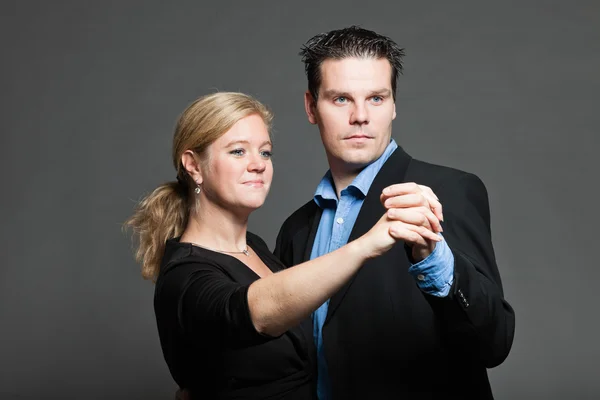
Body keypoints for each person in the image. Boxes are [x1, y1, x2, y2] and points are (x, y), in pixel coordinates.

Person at [124, 92, 442, 399]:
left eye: (265, 152)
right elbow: (256, 312)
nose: (258, 164)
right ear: (193, 165)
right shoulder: (183, 274)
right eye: (238, 151)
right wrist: (368, 243)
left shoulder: (256, 249)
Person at [274, 26, 516, 399]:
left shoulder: (448, 191)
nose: (360, 116)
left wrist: (435, 255)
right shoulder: (296, 230)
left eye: (376, 98)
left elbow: (494, 342)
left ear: (394, 105)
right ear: (311, 107)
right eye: (341, 99)